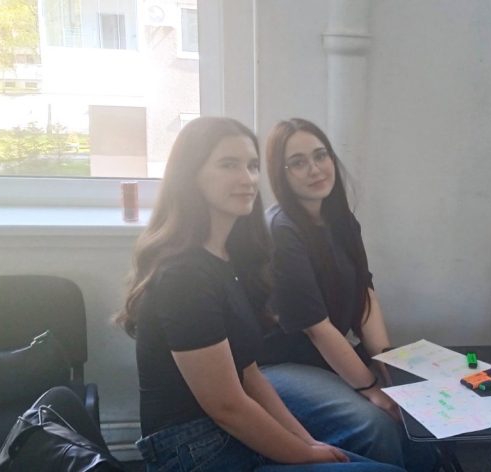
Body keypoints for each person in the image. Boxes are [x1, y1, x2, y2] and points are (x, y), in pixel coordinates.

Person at [116, 116, 401, 472]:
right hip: (194, 449)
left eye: (252, 166)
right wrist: (303, 453)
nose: (247, 178)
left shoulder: (230, 258)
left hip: (229, 435)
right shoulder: (184, 275)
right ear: (190, 176)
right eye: (228, 165)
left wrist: (307, 443)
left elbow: (249, 374)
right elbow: (227, 407)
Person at [259, 118, 433, 471]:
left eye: (320, 155)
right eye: (298, 162)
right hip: (282, 363)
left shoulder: (341, 221)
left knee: (416, 409)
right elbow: (317, 328)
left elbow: (365, 295)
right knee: (377, 423)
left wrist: (386, 362)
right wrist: (370, 388)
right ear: (281, 174)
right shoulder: (281, 230)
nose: (314, 169)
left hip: (327, 356)